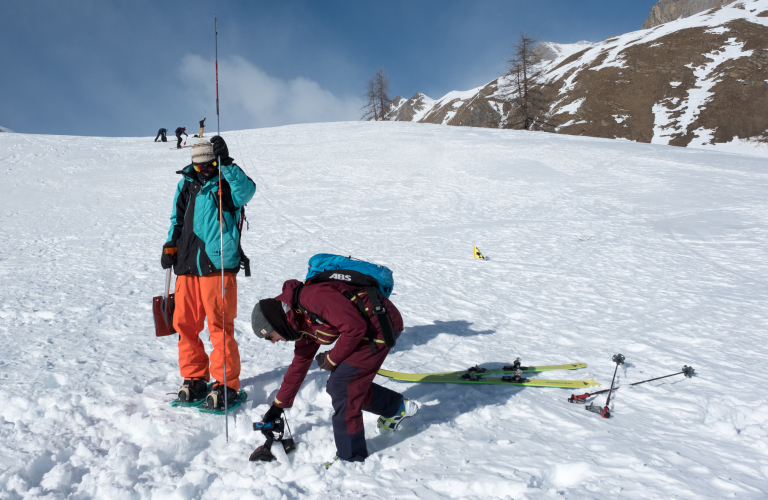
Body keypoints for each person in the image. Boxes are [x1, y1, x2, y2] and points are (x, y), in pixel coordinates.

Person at [251, 279, 419, 462]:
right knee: (344, 386)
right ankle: (398, 408)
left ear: (276, 323)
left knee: (342, 386)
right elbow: (300, 364)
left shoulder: (312, 298)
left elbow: (355, 327)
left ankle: (351, 458)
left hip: (379, 325)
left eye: (269, 336)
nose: (273, 341)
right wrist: (278, 406)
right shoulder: (298, 322)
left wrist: (331, 358)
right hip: (364, 330)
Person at [161, 136, 256, 409]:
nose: (203, 169)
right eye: (198, 165)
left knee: (219, 326)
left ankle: (225, 383)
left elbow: (247, 192)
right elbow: (176, 220)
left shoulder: (227, 180)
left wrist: (226, 164)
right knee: (184, 324)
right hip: (187, 264)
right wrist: (170, 244)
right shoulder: (185, 183)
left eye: (208, 164)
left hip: (219, 265)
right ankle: (194, 377)